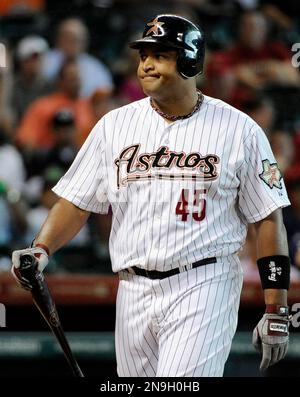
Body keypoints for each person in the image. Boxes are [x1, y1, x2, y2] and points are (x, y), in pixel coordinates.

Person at [11, 14, 292, 377]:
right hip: (132, 287)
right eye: (143, 56)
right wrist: (41, 248)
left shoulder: (240, 130)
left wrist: (276, 308)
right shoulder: (115, 125)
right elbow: (76, 201)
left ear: (190, 61)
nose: (146, 64)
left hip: (204, 280)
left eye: (160, 55)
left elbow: (268, 217)